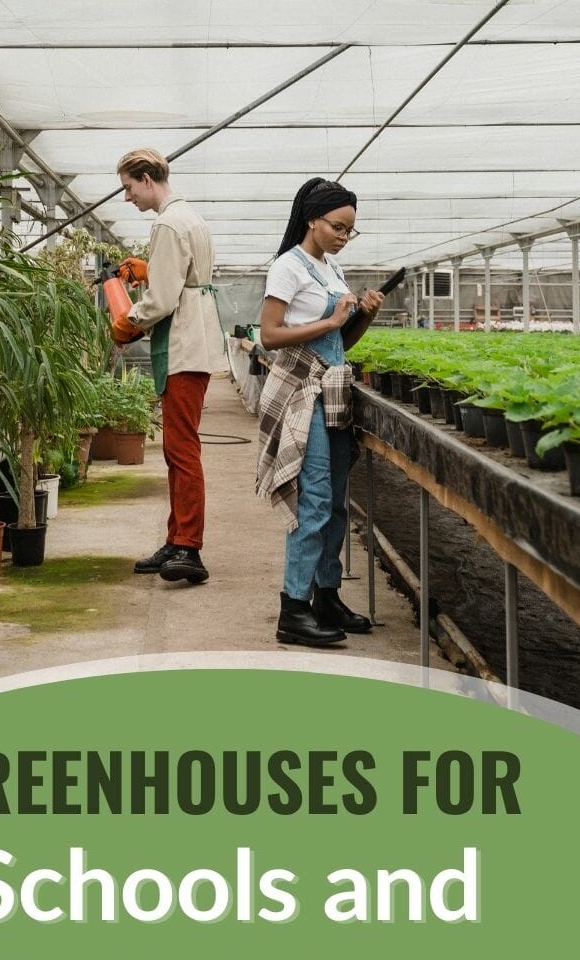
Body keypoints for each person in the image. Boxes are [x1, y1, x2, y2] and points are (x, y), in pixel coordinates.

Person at [256, 178, 384, 647]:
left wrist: (363, 315)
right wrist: (331, 319)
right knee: (312, 499)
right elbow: (267, 336)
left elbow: (340, 343)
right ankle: (293, 609)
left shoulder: (331, 269)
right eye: (338, 226)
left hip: (331, 391)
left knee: (334, 502)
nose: (343, 236)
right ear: (313, 218)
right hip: (301, 394)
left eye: (350, 230)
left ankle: (326, 596)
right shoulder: (287, 268)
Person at [115, 148, 225, 585]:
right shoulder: (189, 218)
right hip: (192, 341)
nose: (128, 198)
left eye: (128, 187)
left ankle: (189, 548)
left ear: (146, 178)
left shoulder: (166, 223)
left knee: (182, 451)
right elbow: (182, 278)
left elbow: (161, 300)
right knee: (178, 449)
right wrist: (150, 270)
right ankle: (176, 537)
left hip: (183, 346)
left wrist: (129, 322)